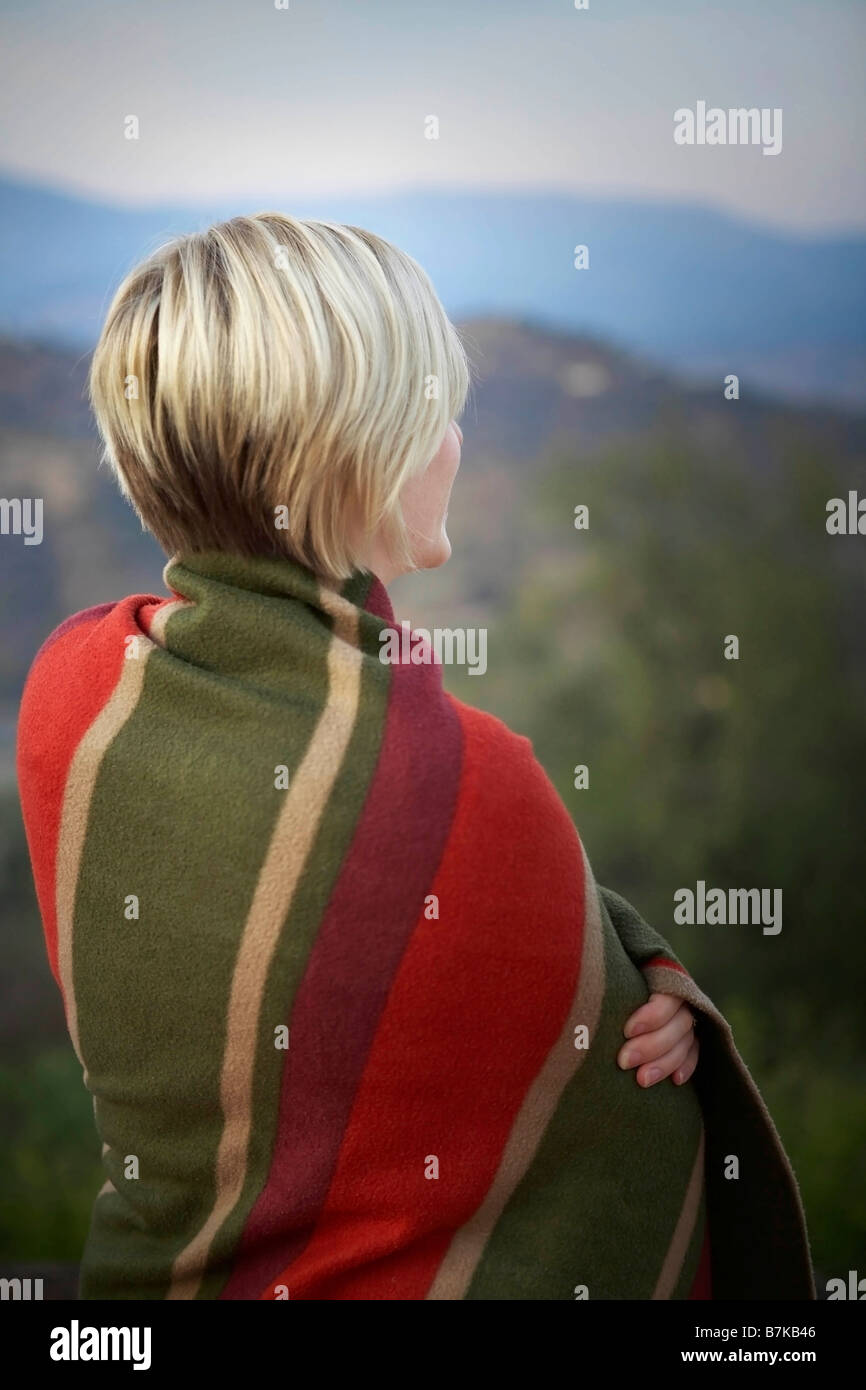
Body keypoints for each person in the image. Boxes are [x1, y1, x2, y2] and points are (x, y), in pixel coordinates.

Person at [16, 214, 813, 1300]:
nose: (456, 442)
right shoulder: (473, 784)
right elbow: (595, 1103)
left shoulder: (72, 694)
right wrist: (642, 989)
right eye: (437, 414)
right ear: (362, 456)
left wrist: (605, 981)